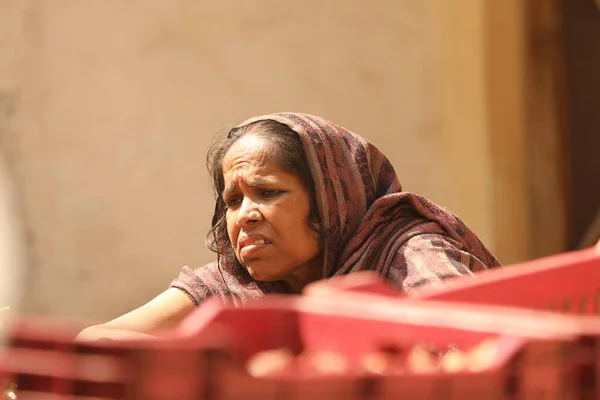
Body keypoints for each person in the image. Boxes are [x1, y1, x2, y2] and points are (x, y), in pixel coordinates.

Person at [76, 112, 501, 341]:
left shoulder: (408, 252)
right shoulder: (235, 282)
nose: (246, 215)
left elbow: (467, 346)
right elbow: (98, 341)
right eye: (233, 200)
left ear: (332, 200)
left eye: (269, 193)